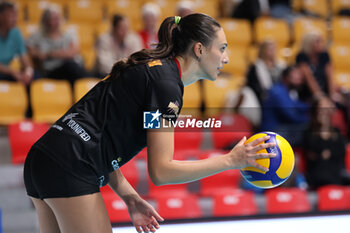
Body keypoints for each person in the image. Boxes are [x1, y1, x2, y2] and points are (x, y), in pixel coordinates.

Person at [23, 13, 276, 233]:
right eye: (221, 48)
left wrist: (131, 198)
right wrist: (231, 160)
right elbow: (161, 171)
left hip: (45, 157)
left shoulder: (156, 72)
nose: (227, 58)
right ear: (199, 49)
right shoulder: (166, 86)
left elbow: (100, 140)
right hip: (72, 164)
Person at [26, 4, 87, 85]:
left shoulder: (68, 34)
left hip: (70, 69)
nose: (55, 22)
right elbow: (28, 49)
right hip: (51, 71)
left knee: (74, 66)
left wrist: (49, 54)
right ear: (45, 21)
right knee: (71, 66)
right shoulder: (37, 36)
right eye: (52, 19)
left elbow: (72, 52)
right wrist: (36, 54)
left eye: (57, 18)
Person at [303, 97, 350, 190]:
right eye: (320, 110)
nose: (323, 113)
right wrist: (322, 128)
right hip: (317, 177)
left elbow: (340, 152)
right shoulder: (309, 133)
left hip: (337, 175)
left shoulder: (337, 132)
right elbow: (312, 151)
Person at [261, 65, 310, 146]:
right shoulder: (277, 92)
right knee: (309, 129)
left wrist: (312, 106)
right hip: (273, 133)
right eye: (296, 79)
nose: (299, 82)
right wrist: (310, 120)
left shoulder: (286, 91)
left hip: (282, 128)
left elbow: (296, 105)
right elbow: (291, 115)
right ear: (286, 78)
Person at [0, 1, 34, 85]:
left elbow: (24, 57)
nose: (15, 19)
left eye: (15, 15)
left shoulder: (16, 33)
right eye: (11, 16)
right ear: (1, 16)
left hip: (6, 73)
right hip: (5, 72)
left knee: (34, 78)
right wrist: (12, 72)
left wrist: (28, 71)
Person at [246, 40, 286, 104]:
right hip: (264, 98)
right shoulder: (255, 68)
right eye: (270, 49)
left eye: (274, 49)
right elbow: (254, 87)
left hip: (281, 95)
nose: (273, 51)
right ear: (263, 50)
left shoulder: (282, 65)